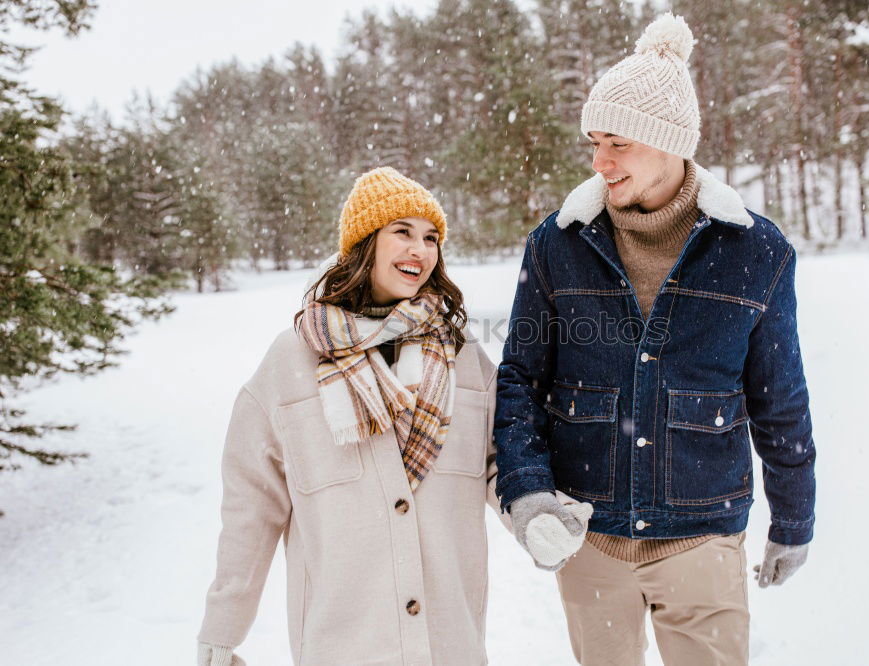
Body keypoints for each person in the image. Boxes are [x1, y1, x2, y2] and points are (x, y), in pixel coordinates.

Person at [493, 12, 816, 666]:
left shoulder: (756, 252)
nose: (599, 161)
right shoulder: (556, 246)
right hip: (589, 536)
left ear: (667, 142)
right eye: (593, 142)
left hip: (703, 537)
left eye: (617, 142)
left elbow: (779, 397)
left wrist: (794, 518)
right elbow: (520, 380)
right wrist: (527, 493)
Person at [197, 167, 500, 666]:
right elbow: (252, 504)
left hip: (449, 643)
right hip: (342, 642)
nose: (420, 250)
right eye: (402, 232)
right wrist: (224, 624)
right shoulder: (290, 362)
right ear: (364, 244)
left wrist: (539, 516)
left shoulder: (461, 355)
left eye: (431, 238)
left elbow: (501, 462)